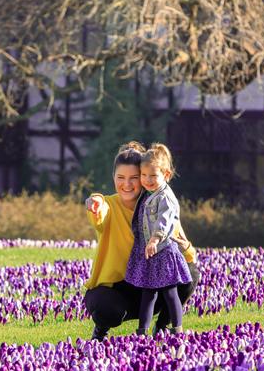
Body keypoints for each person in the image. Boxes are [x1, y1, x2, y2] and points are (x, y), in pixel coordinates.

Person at [83, 142, 200, 341]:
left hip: (149, 284)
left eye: (134, 178)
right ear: (113, 178)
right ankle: (100, 331)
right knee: (106, 307)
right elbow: (100, 210)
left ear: (146, 177)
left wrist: (184, 247)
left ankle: (162, 327)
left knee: (190, 274)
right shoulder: (109, 205)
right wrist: (94, 201)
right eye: (120, 178)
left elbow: (187, 253)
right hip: (118, 288)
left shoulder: (159, 205)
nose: (127, 184)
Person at [124, 143, 190, 335]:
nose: (147, 180)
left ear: (166, 175)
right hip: (150, 252)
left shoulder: (166, 198)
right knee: (148, 293)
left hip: (163, 251)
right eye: (144, 175)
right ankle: (142, 331)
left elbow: (165, 221)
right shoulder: (148, 193)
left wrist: (154, 239)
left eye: (153, 176)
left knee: (170, 293)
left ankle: (178, 329)